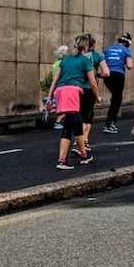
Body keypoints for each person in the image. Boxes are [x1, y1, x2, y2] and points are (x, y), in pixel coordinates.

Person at [46, 35, 98, 169]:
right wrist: (97, 96)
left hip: (61, 92)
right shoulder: (85, 61)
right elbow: (93, 82)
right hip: (73, 92)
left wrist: (50, 97)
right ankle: (63, 160)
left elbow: (55, 80)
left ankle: (84, 155)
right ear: (86, 47)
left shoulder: (65, 60)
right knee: (72, 123)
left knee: (75, 123)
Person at [102, 33, 133, 134]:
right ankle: (110, 123)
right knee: (117, 99)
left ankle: (109, 122)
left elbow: (102, 62)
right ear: (127, 43)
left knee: (114, 97)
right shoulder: (126, 50)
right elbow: (129, 66)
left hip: (107, 75)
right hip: (118, 75)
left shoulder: (107, 49)